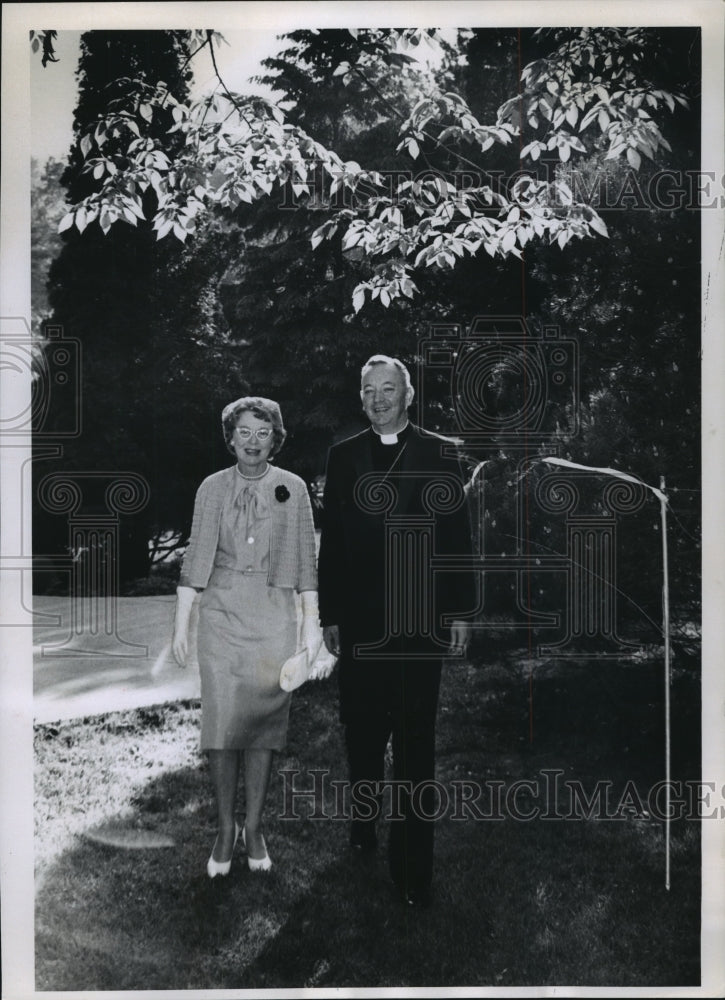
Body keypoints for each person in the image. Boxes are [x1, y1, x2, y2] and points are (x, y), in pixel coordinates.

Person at [318, 355, 476, 907]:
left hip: (419, 623)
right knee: (362, 734)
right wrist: (330, 614)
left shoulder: (440, 452)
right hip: (360, 624)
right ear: (360, 397)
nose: (379, 398)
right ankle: (364, 824)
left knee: (414, 742)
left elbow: (457, 536)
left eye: (389, 388)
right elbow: (332, 542)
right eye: (369, 389)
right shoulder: (342, 457)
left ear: (408, 395)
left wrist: (459, 610)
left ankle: (413, 871)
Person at [172, 396, 323, 878]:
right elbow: (195, 560)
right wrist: (181, 626)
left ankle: (254, 828)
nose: (253, 442)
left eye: (262, 432)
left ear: (275, 438)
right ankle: (223, 829)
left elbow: (304, 563)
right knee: (221, 726)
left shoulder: (293, 487)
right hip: (221, 616)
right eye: (244, 432)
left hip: (274, 616)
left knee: (262, 725)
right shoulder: (212, 488)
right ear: (230, 437)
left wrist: (311, 631)